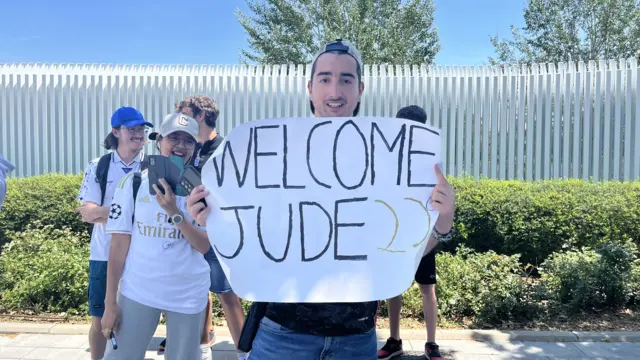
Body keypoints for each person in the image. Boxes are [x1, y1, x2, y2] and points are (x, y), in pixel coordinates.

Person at [185, 39, 457, 360]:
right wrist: (213, 220)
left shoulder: (386, 164)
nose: (335, 91)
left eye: (346, 80)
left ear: (360, 90)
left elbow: (399, 252)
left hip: (355, 340)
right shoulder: (274, 156)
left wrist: (442, 222)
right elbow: (253, 237)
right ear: (310, 88)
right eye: (325, 79)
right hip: (281, 335)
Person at [100, 113, 212, 360]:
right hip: (139, 290)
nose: (180, 146)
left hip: (187, 293)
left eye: (188, 140)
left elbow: (203, 246)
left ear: (195, 147)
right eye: (174, 138)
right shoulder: (132, 183)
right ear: (159, 140)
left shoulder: (203, 188)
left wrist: (174, 211)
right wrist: (110, 304)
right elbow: (118, 247)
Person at [157, 95, 248, 360]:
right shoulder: (186, 148)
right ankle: (202, 345)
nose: (180, 125)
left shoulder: (226, 148)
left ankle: (244, 352)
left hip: (218, 234)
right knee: (199, 293)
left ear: (200, 117)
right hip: (187, 232)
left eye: (185, 115)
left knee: (227, 295)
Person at [76, 106, 151, 360]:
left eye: (141, 129)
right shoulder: (99, 166)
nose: (139, 134)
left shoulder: (153, 167)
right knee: (100, 321)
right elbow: (87, 213)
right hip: (104, 255)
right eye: (132, 129)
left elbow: (98, 212)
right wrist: (130, 209)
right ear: (116, 132)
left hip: (142, 256)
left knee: (136, 320)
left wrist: (104, 211)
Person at [377, 105, 445, 360]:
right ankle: (394, 340)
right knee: (394, 287)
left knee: (427, 287)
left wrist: (434, 232)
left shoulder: (431, 158)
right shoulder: (388, 156)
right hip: (395, 232)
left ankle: (431, 344)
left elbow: (439, 195)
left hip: (422, 233)